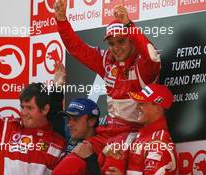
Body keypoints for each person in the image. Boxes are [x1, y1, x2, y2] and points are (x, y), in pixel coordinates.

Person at [54, 1, 160, 173]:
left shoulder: (143, 66)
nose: (116, 48)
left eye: (121, 41)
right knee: (66, 166)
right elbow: (77, 49)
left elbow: (152, 56)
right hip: (107, 134)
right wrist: (61, 21)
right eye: (111, 44)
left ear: (132, 40)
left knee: (111, 167)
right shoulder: (107, 61)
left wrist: (129, 25)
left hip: (132, 135)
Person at [105, 84, 178, 175]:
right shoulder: (141, 137)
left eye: (142, 104)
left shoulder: (158, 144)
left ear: (158, 109)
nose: (136, 107)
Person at [52, 98, 102, 175]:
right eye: (69, 119)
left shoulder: (101, 148)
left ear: (91, 121)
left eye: (75, 119)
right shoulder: (71, 137)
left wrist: (91, 159)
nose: (69, 124)